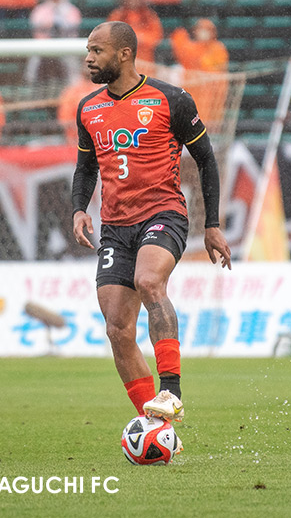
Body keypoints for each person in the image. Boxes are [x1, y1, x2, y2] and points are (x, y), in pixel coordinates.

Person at [71, 21, 232, 425]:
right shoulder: (88, 108)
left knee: (148, 281)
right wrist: (78, 209)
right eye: (88, 50)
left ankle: (171, 392)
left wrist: (212, 224)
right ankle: (157, 427)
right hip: (115, 228)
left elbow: (206, 159)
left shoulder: (171, 99)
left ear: (124, 54)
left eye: (97, 51)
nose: (89, 58)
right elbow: (85, 167)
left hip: (163, 214)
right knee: (117, 328)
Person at [170, 19, 229, 129]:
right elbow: (181, 52)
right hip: (193, 91)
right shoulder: (192, 47)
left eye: (207, 30)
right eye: (201, 29)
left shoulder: (218, 48)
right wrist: (180, 34)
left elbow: (218, 69)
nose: (203, 32)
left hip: (211, 93)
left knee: (208, 122)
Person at [28, 0, 82, 83]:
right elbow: (36, 24)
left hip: (66, 44)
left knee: (71, 61)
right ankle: (30, 82)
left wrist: (61, 20)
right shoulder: (41, 9)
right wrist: (51, 22)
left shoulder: (71, 9)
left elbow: (73, 25)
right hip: (44, 44)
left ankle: (74, 84)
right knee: (35, 58)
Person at [107, 0, 164, 70]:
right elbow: (109, 36)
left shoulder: (149, 16)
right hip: (122, 62)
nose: (133, 0)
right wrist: (130, 39)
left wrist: (142, 38)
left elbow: (157, 36)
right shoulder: (117, 15)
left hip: (145, 61)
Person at [57, 64, 98, 145]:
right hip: (77, 141)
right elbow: (65, 121)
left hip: (100, 140)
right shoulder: (72, 92)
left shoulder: (102, 89)